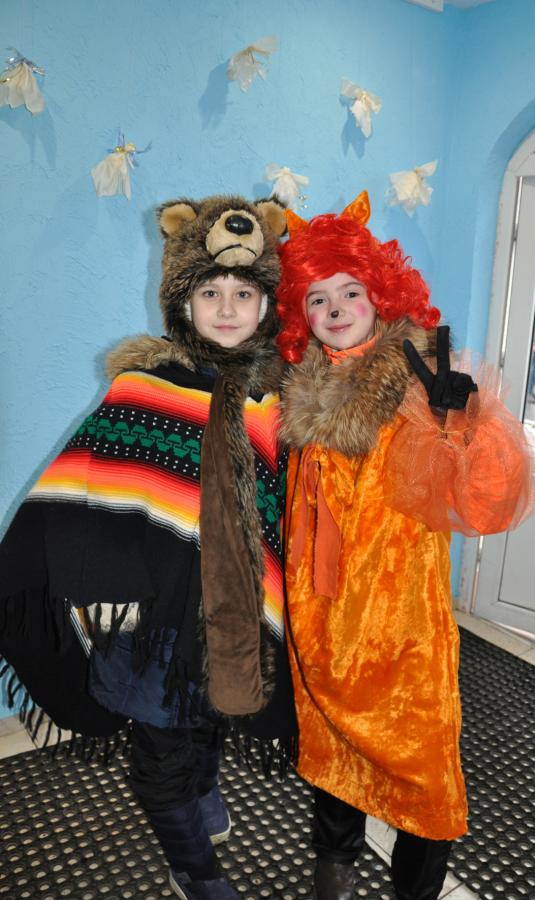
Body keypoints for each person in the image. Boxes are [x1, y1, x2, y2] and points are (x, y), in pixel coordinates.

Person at [0, 194, 297, 900]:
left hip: (232, 612)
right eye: (210, 292)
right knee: (162, 743)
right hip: (153, 620)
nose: (227, 308)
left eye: (244, 293)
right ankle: (193, 867)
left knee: (216, 713)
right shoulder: (146, 388)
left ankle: (203, 787)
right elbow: (87, 488)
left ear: (265, 303)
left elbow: (296, 500)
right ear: (182, 301)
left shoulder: (274, 397)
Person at [275, 193, 535, 900]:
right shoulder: (301, 389)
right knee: (331, 739)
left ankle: (417, 887)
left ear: (380, 293)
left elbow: (486, 504)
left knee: (421, 763)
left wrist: (466, 424)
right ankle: (335, 863)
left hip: (401, 625)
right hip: (323, 613)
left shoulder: (421, 383)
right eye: (317, 297)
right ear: (301, 314)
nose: (335, 308)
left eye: (350, 291)